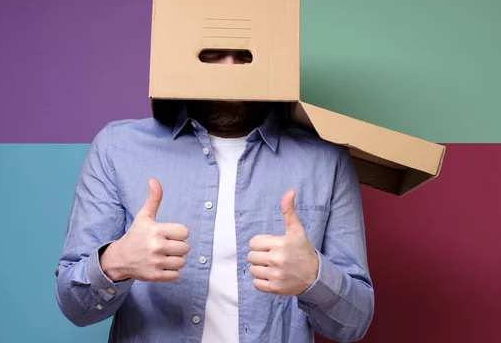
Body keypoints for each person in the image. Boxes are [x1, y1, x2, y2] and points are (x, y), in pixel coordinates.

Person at [55, 50, 374, 342]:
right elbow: (75, 308)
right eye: (214, 53)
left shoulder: (326, 160)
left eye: (245, 54)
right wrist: (115, 263)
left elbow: (354, 324)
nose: (230, 69)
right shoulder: (117, 148)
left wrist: (314, 278)